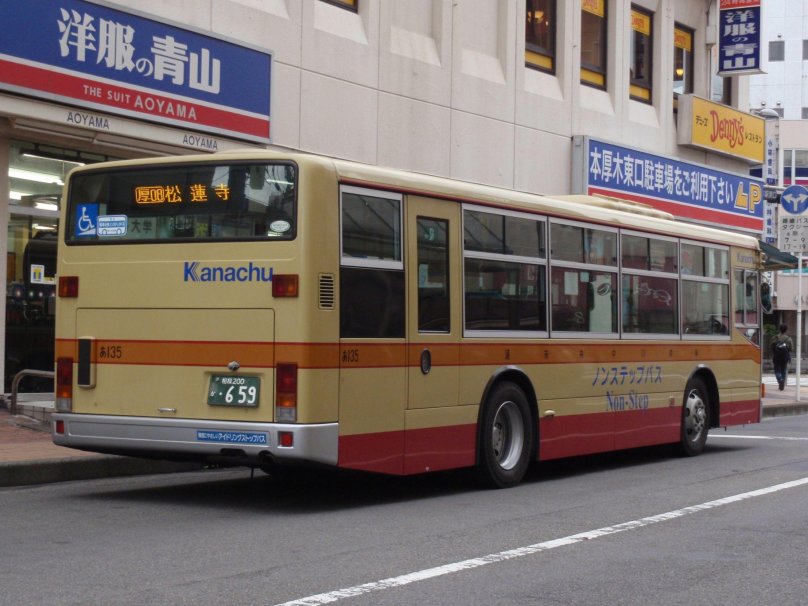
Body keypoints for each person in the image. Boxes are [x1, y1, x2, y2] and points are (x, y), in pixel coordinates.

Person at [771, 324, 794, 391]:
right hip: (785, 357)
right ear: (786, 330)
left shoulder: (775, 337)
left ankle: (780, 380)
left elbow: (771, 347)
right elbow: (791, 349)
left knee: (777, 370)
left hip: (777, 356)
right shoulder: (789, 339)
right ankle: (782, 384)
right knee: (783, 370)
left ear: (779, 329)